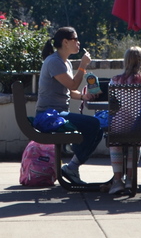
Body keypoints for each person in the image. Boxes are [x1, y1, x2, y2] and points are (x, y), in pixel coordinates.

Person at [36, 27, 103, 185]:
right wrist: (83, 66)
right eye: (75, 39)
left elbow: (69, 90)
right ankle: (72, 166)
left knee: (98, 126)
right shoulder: (54, 61)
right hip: (49, 116)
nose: (79, 43)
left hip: (58, 114)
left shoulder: (64, 63)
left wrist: (82, 96)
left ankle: (72, 165)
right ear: (65, 42)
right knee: (94, 124)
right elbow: (73, 83)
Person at [106, 46, 141, 195]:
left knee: (115, 142)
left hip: (123, 124)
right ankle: (130, 178)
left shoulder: (115, 81)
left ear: (126, 61)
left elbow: (113, 105)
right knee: (136, 143)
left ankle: (117, 180)